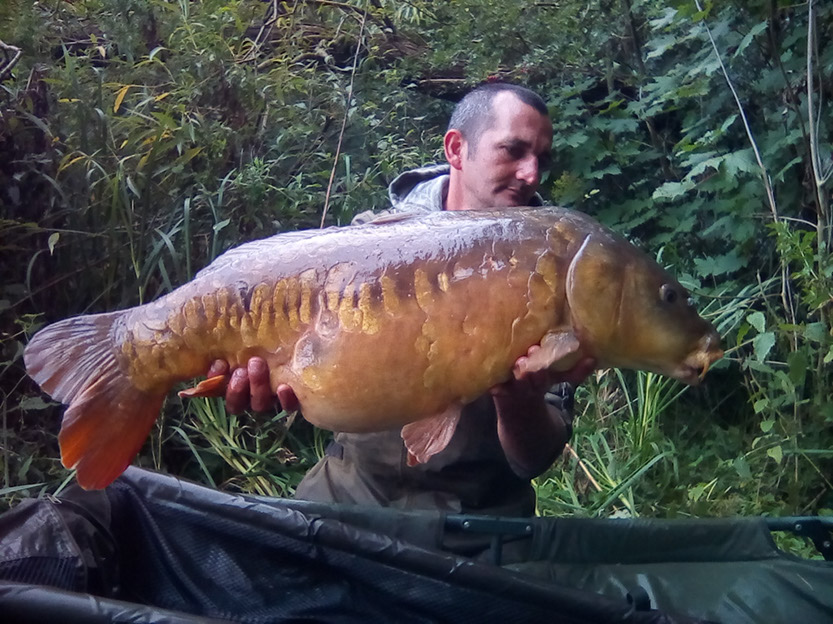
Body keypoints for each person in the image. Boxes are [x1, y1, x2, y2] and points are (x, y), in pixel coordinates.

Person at [207, 83, 595, 517]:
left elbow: (532, 460)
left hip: (480, 518)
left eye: (541, 158)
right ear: (456, 149)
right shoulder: (363, 246)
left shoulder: (559, 271)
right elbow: (293, 378)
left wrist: (517, 400)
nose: (532, 174)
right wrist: (260, 381)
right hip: (350, 495)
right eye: (513, 151)